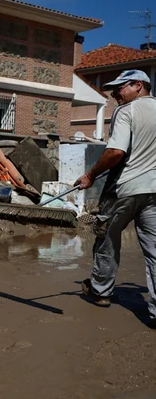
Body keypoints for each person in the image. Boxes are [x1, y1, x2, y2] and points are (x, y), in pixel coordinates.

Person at [74, 69, 156, 326]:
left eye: (120, 88)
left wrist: (90, 174)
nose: (115, 94)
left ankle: (100, 291)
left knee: (107, 239)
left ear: (138, 86)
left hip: (123, 189)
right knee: (155, 252)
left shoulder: (127, 111)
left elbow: (116, 152)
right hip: (153, 191)